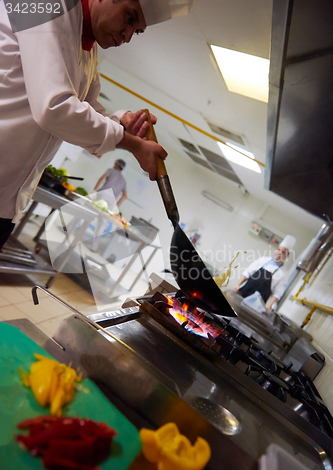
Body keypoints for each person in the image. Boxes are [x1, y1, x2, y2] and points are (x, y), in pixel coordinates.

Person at [0, 0, 196, 251]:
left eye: (136, 31)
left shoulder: (89, 55)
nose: (127, 36)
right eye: (129, 17)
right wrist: (132, 144)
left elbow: (88, 115)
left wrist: (123, 124)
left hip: (8, 201)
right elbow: (54, 109)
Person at [233, 235, 296, 311]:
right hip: (242, 294)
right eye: (278, 250)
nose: (279, 253)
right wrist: (237, 285)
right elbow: (247, 273)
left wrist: (268, 307)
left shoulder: (284, 274)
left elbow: (277, 294)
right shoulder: (263, 260)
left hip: (256, 306)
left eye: (283, 252)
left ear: (287, 256)